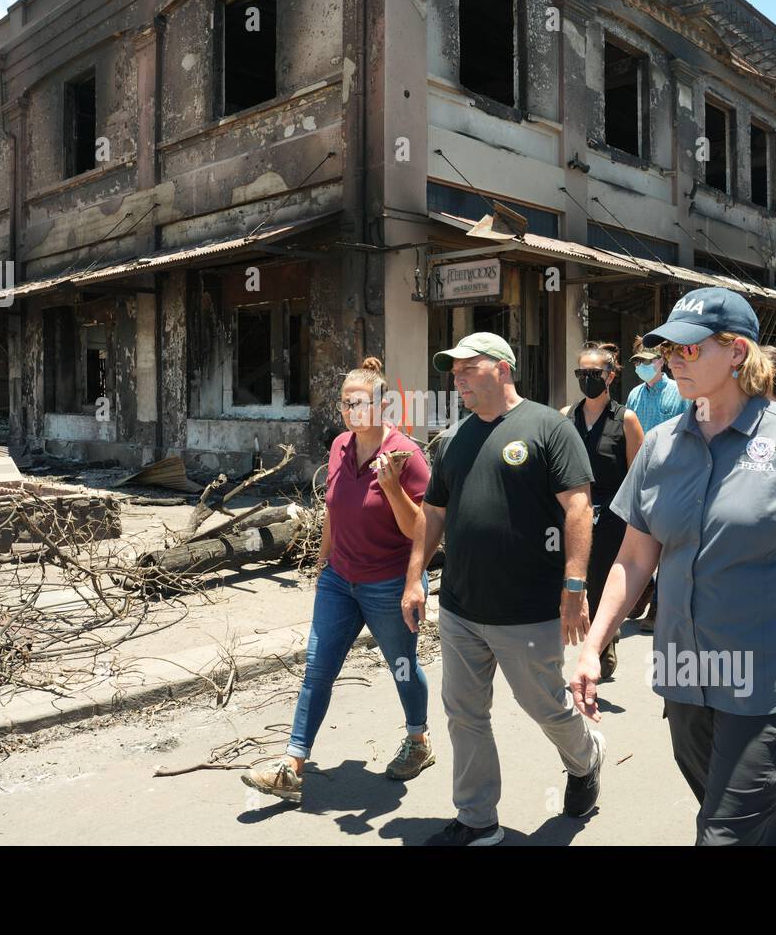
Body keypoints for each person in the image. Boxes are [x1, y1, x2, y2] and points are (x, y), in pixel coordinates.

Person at [570, 287, 776, 846]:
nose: (671, 361)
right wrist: (593, 647)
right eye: (667, 351)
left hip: (773, 687)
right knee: (734, 826)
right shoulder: (660, 446)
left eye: (688, 350)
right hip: (688, 683)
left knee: (722, 836)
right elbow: (635, 559)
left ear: (737, 352)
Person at [402, 332, 605, 846]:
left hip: (529, 609)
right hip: (462, 608)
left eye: (469, 368)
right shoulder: (454, 439)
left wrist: (574, 590)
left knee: (545, 706)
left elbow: (578, 509)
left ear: (503, 368)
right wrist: (414, 579)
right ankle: (477, 820)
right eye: (454, 372)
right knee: (465, 714)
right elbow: (434, 513)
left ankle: (586, 758)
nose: (458, 378)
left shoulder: (548, 427)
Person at [242, 358, 432, 805]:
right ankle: (292, 767)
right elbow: (333, 508)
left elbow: (421, 529)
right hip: (339, 580)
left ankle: (419, 741)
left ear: (383, 405)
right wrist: (324, 562)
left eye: (360, 402)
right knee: (317, 670)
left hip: (387, 583)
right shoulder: (340, 446)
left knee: (402, 666)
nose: (350, 410)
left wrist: (391, 490)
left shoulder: (407, 456)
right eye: (345, 403)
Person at [559, 341, 644, 680]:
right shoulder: (566, 417)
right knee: (572, 580)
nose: (588, 379)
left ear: (610, 376)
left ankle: (603, 643)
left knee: (601, 585)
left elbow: (637, 476)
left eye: (594, 373)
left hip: (611, 518)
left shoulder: (626, 420)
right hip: (572, 514)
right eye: (582, 373)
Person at [625, 343, 688, 630]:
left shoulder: (678, 391)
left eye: (647, 361)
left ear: (660, 362)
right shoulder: (635, 394)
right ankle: (645, 590)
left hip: (672, 472)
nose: (642, 366)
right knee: (641, 539)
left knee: (665, 544)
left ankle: (658, 607)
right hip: (641, 472)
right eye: (638, 361)